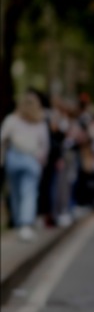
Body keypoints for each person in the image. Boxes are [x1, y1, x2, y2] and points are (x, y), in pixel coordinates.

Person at [0, 89, 50, 240]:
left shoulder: (12, 120)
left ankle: (19, 223)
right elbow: (44, 145)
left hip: (14, 159)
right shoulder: (39, 122)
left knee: (16, 193)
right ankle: (25, 224)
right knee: (29, 192)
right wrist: (41, 160)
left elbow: (2, 137)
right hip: (31, 159)